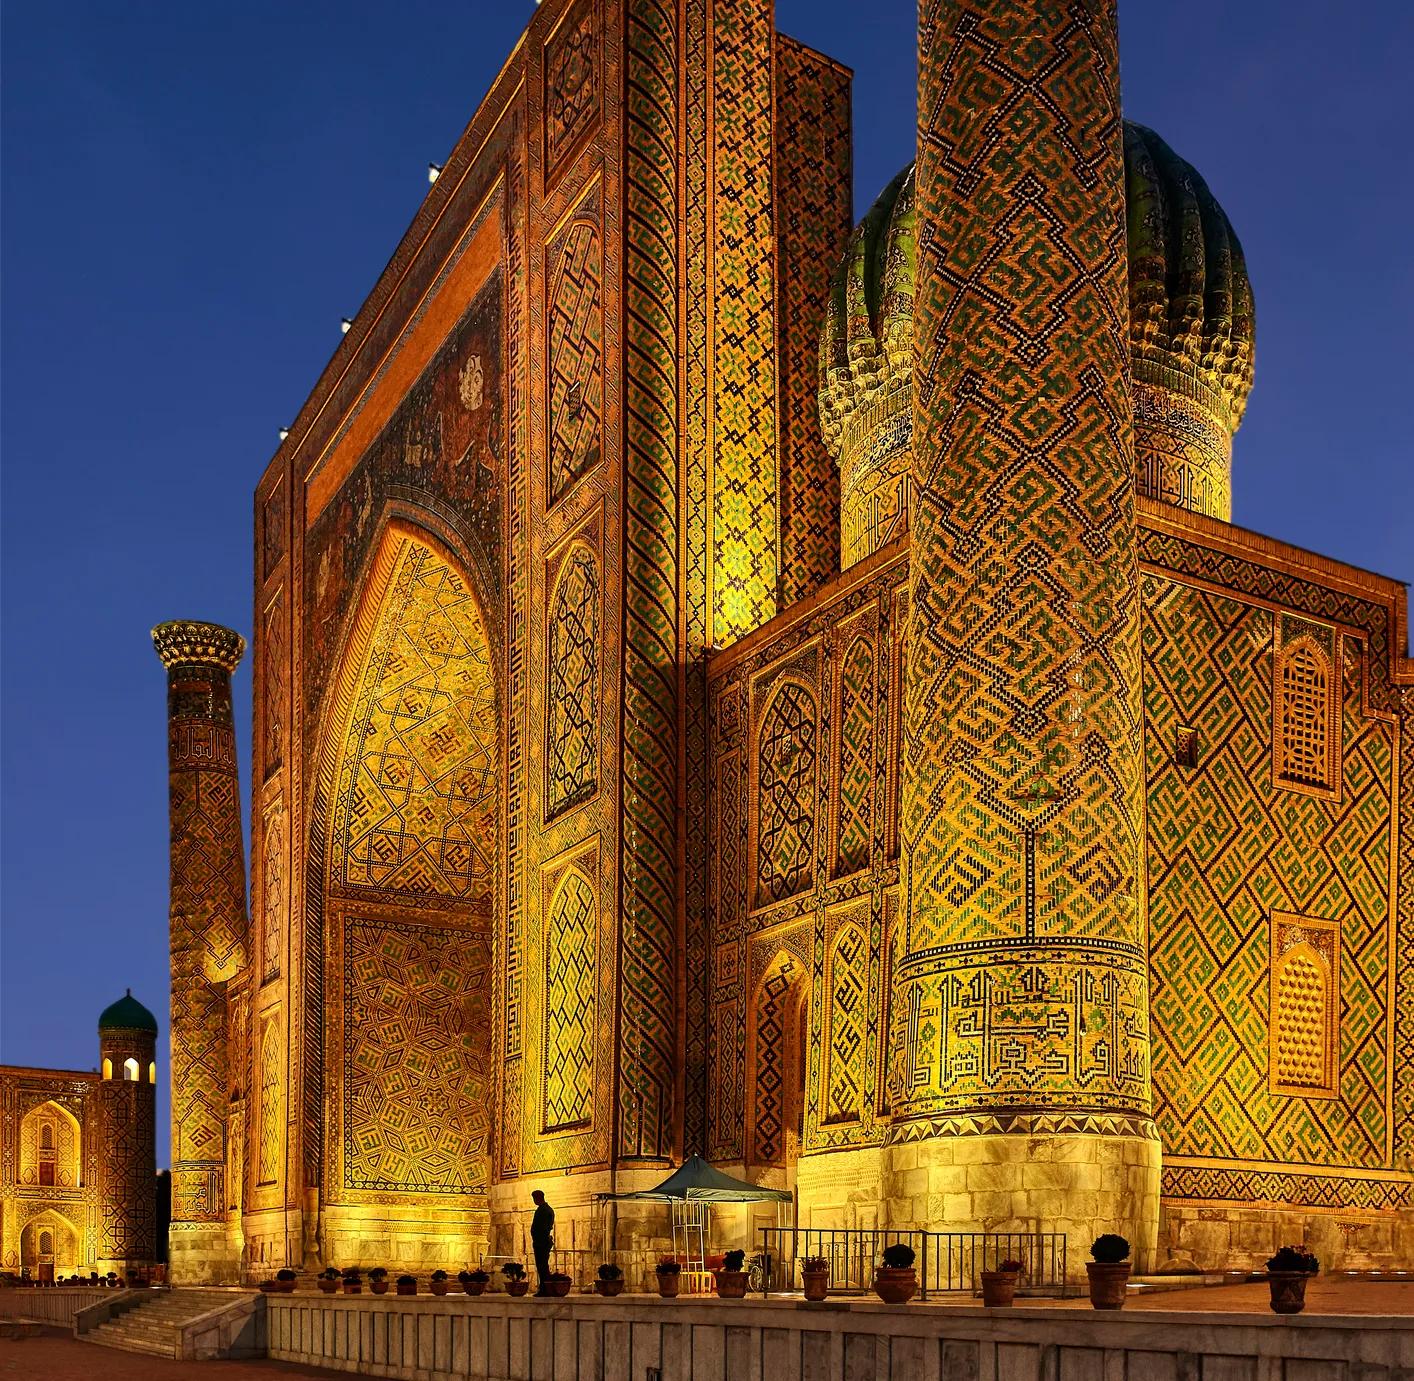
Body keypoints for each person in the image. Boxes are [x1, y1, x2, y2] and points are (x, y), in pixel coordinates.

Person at [529, 1189, 555, 1295]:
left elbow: (542, 1227)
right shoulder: (547, 1209)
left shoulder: (543, 1210)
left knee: (542, 1266)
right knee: (542, 1265)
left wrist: (539, 1239)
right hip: (542, 1241)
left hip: (541, 1242)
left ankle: (545, 1288)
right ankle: (544, 1287)